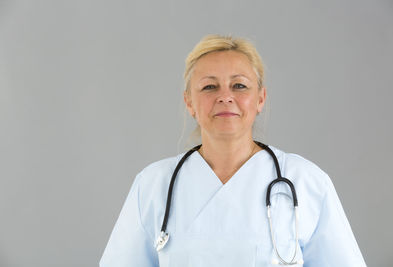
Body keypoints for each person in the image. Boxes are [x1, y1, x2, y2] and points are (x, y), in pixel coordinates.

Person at [99, 34, 367, 267]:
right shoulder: (153, 184)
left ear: (260, 98)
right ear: (189, 102)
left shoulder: (306, 181)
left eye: (239, 85)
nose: (225, 96)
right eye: (209, 86)